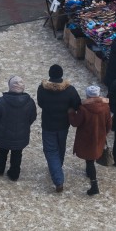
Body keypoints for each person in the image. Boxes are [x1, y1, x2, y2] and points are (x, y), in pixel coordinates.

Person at [36, 64, 81, 193]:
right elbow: (77, 105)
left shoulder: (42, 89)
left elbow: (40, 103)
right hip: (63, 125)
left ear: (50, 75)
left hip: (48, 125)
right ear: (61, 75)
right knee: (60, 148)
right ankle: (57, 168)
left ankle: (58, 179)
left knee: (50, 151)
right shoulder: (70, 90)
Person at [0, 76, 37, 182]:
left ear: (10, 87)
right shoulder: (30, 102)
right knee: (17, 154)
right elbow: (32, 117)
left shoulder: (2, 101)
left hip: (3, 134)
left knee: (2, 151)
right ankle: (14, 173)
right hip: (20, 135)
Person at [69, 85, 112, 197]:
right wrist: (103, 134)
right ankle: (89, 172)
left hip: (86, 137)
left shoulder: (83, 109)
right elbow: (109, 124)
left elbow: (75, 123)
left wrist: (71, 113)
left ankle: (94, 185)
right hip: (99, 137)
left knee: (89, 160)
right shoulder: (106, 107)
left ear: (88, 95)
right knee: (91, 157)